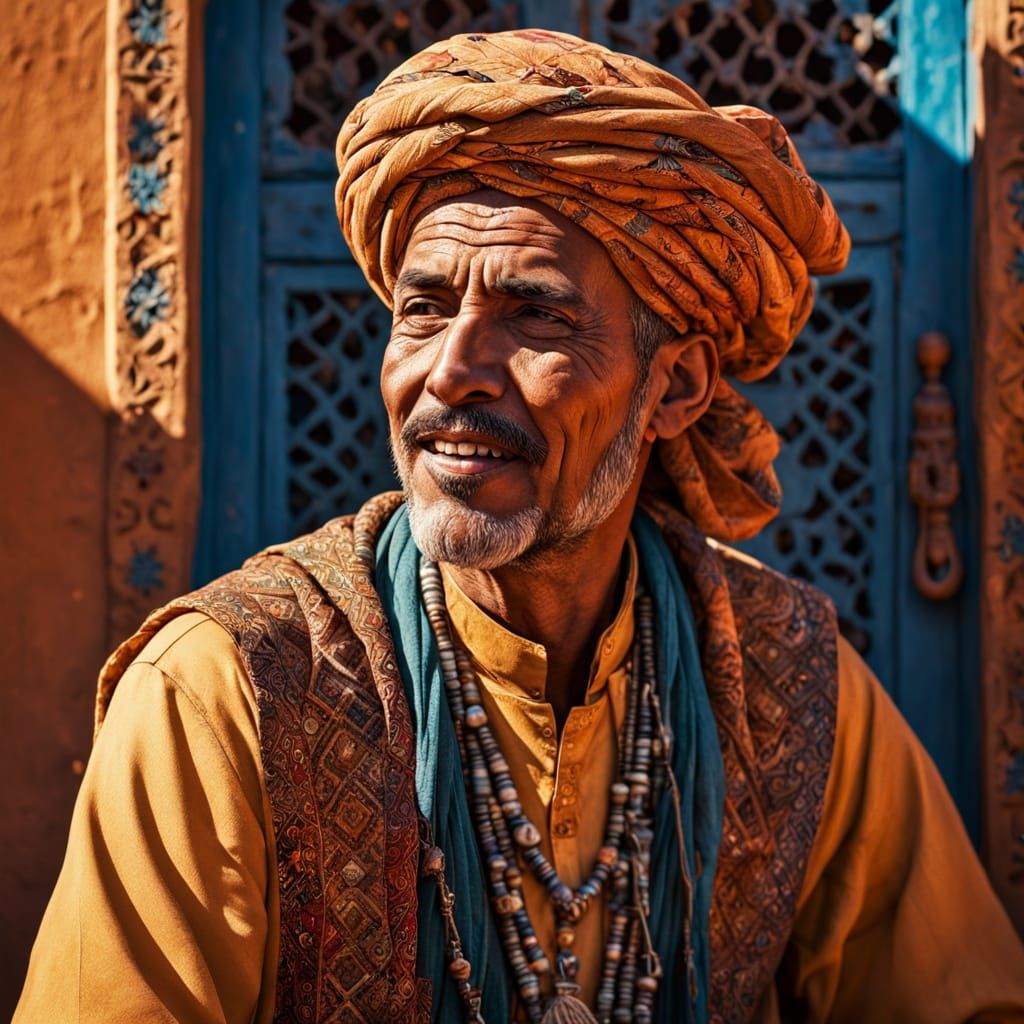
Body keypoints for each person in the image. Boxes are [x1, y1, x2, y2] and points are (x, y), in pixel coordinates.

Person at [15, 28, 1024, 1024]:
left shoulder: (783, 681)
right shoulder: (224, 690)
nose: (449, 371)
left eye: (533, 315)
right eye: (422, 308)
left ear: (672, 385)